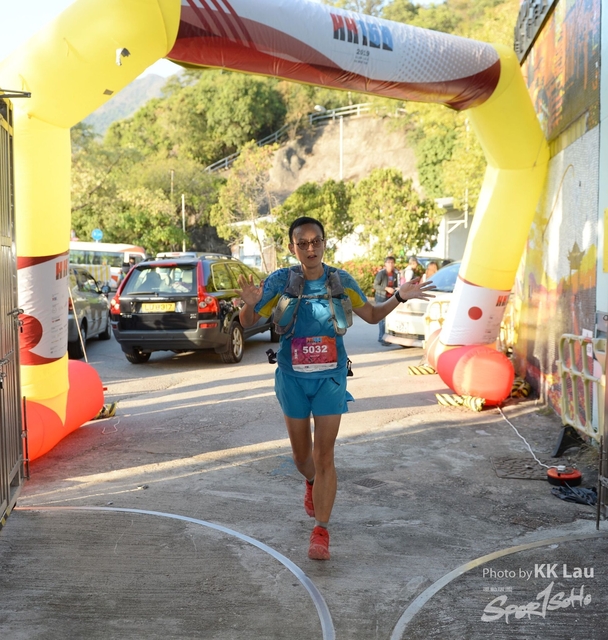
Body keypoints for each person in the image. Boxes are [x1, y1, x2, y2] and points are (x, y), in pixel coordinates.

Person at [237, 216, 435, 561]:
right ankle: (312, 482)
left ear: (324, 244)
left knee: (324, 454)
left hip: (330, 378)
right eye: (303, 243)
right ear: (293, 248)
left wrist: (400, 297)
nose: (310, 248)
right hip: (292, 378)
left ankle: (321, 531)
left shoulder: (340, 281)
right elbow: (248, 322)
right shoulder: (280, 281)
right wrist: (250, 303)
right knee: (303, 459)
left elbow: (372, 315)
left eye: (316, 241)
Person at [373, 256, 399, 346]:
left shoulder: (395, 274)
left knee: (389, 319)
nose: (390, 264)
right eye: (388, 263)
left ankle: (388, 337)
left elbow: (395, 285)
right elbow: (375, 285)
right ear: (385, 264)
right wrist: (386, 288)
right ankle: (382, 337)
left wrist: (395, 289)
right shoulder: (381, 274)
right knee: (382, 319)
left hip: (390, 298)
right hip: (381, 298)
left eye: (392, 263)